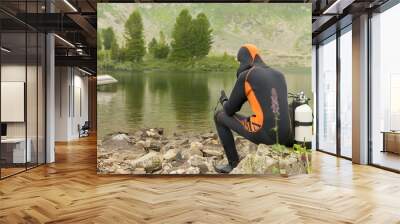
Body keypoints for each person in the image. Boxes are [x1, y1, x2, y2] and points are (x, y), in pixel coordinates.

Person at [214, 44, 292, 173]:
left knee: (219, 115)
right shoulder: (279, 74)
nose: (239, 66)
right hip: (286, 136)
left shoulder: (247, 75)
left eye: (240, 62)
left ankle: (232, 164)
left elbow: (229, 110)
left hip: (266, 135)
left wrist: (224, 100)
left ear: (245, 59)